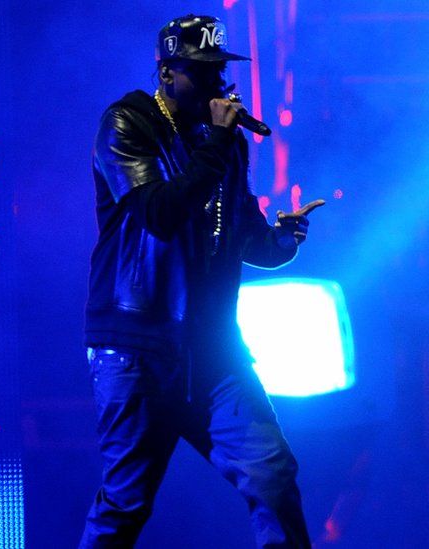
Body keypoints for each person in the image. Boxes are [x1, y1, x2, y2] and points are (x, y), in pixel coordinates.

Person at [81, 14, 323, 548]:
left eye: (220, 71)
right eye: (203, 71)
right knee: (126, 502)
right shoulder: (127, 125)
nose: (218, 83)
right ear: (167, 72)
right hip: (137, 348)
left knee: (272, 475)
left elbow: (244, 238)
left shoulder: (226, 146)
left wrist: (283, 240)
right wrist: (216, 143)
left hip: (215, 352)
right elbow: (161, 215)